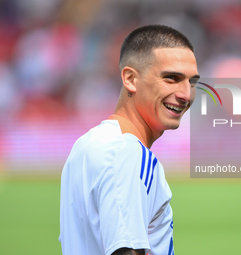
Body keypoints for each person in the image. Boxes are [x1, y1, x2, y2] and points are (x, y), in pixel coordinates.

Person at [59, 24, 200, 255]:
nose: (185, 94)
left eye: (191, 82)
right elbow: (125, 250)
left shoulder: (86, 145)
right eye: (171, 78)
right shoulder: (127, 151)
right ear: (130, 78)